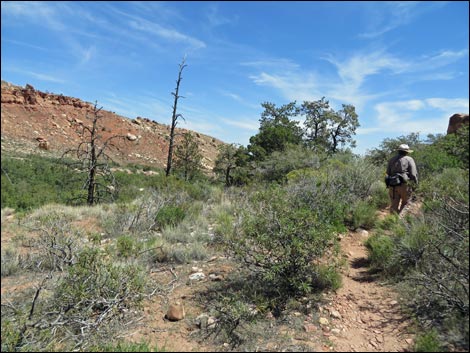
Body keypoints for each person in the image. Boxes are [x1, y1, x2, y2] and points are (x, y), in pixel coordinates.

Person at [386, 144, 418, 214]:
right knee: (405, 204)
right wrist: (415, 185)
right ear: (407, 152)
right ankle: (400, 221)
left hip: (393, 185)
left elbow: (388, 173)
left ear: (398, 151)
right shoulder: (409, 159)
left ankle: (392, 222)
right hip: (404, 185)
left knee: (394, 205)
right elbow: (413, 174)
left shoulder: (391, 159)